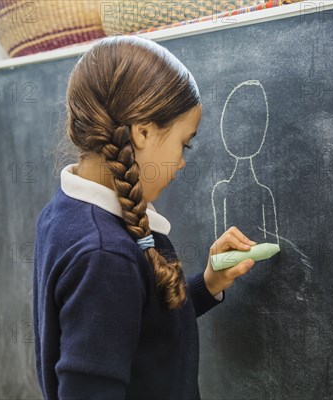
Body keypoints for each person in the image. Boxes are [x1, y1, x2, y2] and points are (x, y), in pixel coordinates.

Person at [33, 35, 258, 400]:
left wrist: (208, 283)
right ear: (143, 131)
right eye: (184, 143)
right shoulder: (106, 256)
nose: (183, 161)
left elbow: (138, 326)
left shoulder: (64, 213)